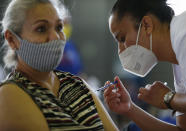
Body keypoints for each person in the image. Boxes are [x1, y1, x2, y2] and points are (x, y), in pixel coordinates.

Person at [0, 0, 118, 130]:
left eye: (59, 27)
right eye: (41, 29)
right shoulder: (9, 95)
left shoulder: (77, 85)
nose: (55, 37)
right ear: (12, 39)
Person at [104, 0, 186, 130]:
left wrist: (168, 98)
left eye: (122, 38)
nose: (120, 50)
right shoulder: (179, 67)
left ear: (147, 25)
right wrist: (130, 109)